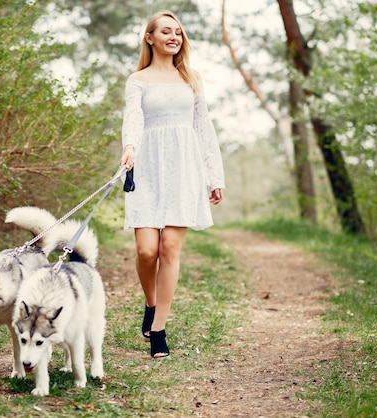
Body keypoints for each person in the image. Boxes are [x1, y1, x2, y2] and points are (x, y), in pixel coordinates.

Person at [119, 11, 225, 359]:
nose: (174, 37)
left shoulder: (191, 79)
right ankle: (150, 303)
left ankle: (160, 328)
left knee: (170, 250)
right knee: (147, 250)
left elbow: (203, 127)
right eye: (166, 31)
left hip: (184, 168)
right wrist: (129, 148)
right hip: (147, 167)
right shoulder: (138, 80)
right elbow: (133, 117)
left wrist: (214, 176)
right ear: (149, 37)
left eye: (178, 32)